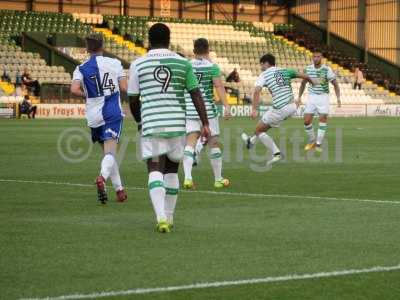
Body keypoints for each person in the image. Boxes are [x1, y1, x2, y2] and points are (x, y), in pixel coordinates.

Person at [128, 23, 210, 233]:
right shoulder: (183, 63)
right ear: (169, 39)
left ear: (149, 39)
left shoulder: (138, 64)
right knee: (172, 169)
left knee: (155, 167)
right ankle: (170, 217)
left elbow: (133, 100)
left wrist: (139, 121)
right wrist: (205, 123)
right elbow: (195, 94)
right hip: (177, 125)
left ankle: (161, 217)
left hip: (153, 125)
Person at [70, 33, 128, 204]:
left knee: (107, 154)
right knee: (110, 152)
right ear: (102, 46)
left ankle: (119, 190)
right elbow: (124, 87)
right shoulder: (115, 63)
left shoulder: (80, 68)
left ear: (87, 49)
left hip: (94, 115)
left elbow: (74, 90)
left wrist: (87, 95)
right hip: (111, 112)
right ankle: (102, 177)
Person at [241, 53, 316, 164]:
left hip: (280, 108)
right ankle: (250, 141)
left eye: (261, 65)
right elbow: (305, 76)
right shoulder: (285, 70)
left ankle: (277, 154)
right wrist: (314, 83)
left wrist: (254, 109)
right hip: (292, 107)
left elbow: (257, 91)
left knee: (259, 130)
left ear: (265, 63)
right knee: (264, 127)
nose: (261, 67)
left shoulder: (264, 74)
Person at [182, 38, 231, 190]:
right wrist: (227, 106)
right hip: (208, 111)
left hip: (190, 109)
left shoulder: (186, 65)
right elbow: (218, 86)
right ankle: (218, 179)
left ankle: (188, 178)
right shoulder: (212, 67)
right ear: (208, 49)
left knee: (190, 143)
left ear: (194, 49)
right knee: (213, 143)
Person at [297, 50, 341, 152]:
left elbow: (335, 84)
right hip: (312, 97)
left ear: (321, 58)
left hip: (323, 97)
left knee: (323, 119)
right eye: (314, 57)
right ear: (312, 58)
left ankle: (318, 144)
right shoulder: (308, 69)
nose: (316, 58)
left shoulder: (326, 69)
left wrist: (338, 98)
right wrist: (299, 97)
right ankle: (312, 140)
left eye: (318, 57)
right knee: (306, 121)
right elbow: (303, 84)